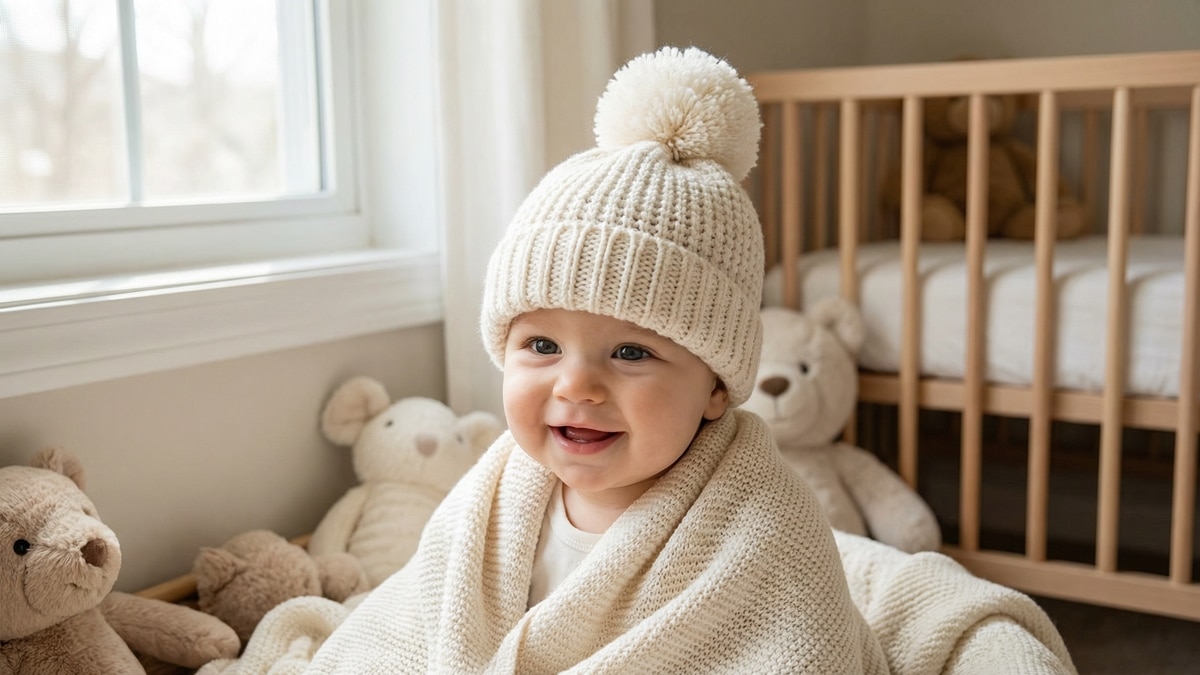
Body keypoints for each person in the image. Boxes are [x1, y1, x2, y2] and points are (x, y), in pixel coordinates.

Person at [307, 46, 888, 674]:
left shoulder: (761, 525)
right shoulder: (495, 492)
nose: (576, 385)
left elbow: (799, 649)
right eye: (542, 346)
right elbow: (419, 619)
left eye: (632, 352)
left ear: (716, 387)